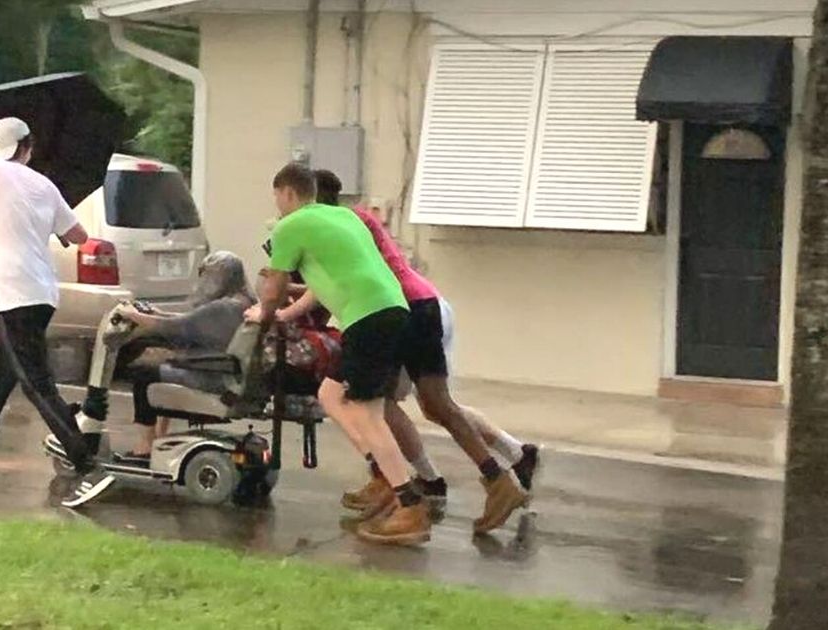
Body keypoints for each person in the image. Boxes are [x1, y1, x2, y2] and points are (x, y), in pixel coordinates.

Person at [279, 169, 535, 533]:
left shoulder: (338, 224)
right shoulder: (351, 220)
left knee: (374, 403)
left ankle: (401, 485)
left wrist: (278, 305)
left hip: (399, 308)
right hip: (420, 301)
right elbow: (329, 280)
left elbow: (340, 278)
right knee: (434, 405)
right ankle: (496, 477)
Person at [0, 117, 115, 509]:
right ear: (26, 146)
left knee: (36, 384)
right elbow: (79, 236)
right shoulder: (43, 184)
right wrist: (51, 226)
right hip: (43, 292)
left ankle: (88, 467)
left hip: (15, 294)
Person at [251, 162, 431, 545]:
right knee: (330, 394)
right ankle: (385, 476)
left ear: (286, 193)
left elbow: (273, 286)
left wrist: (265, 318)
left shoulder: (291, 226)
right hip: (391, 309)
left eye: (277, 198)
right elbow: (328, 278)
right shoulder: (343, 218)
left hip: (368, 318)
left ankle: (409, 504)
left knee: (367, 414)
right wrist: (284, 312)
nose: (278, 207)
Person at [111, 251, 256, 460]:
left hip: (212, 376)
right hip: (228, 373)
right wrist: (156, 312)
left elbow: (174, 327)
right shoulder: (244, 302)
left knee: (142, 373)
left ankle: (143, 447)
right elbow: (192, 321)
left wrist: (133, 315)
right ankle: (160, 437)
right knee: (162, 363)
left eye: (206, 275)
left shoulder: (223, 307)